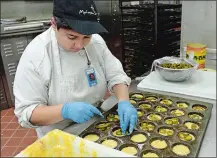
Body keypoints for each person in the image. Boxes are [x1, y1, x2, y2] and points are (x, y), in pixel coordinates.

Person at [13, 0, 137, 138]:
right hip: (59, 134)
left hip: (95, 123)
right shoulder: (37, 55)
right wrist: (64, 111)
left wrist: (124, 101)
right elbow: (27, 112)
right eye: (72, 37)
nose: (79, 45)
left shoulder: (96, 42)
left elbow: (115, 74)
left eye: (86, 37)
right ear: (54, 24)